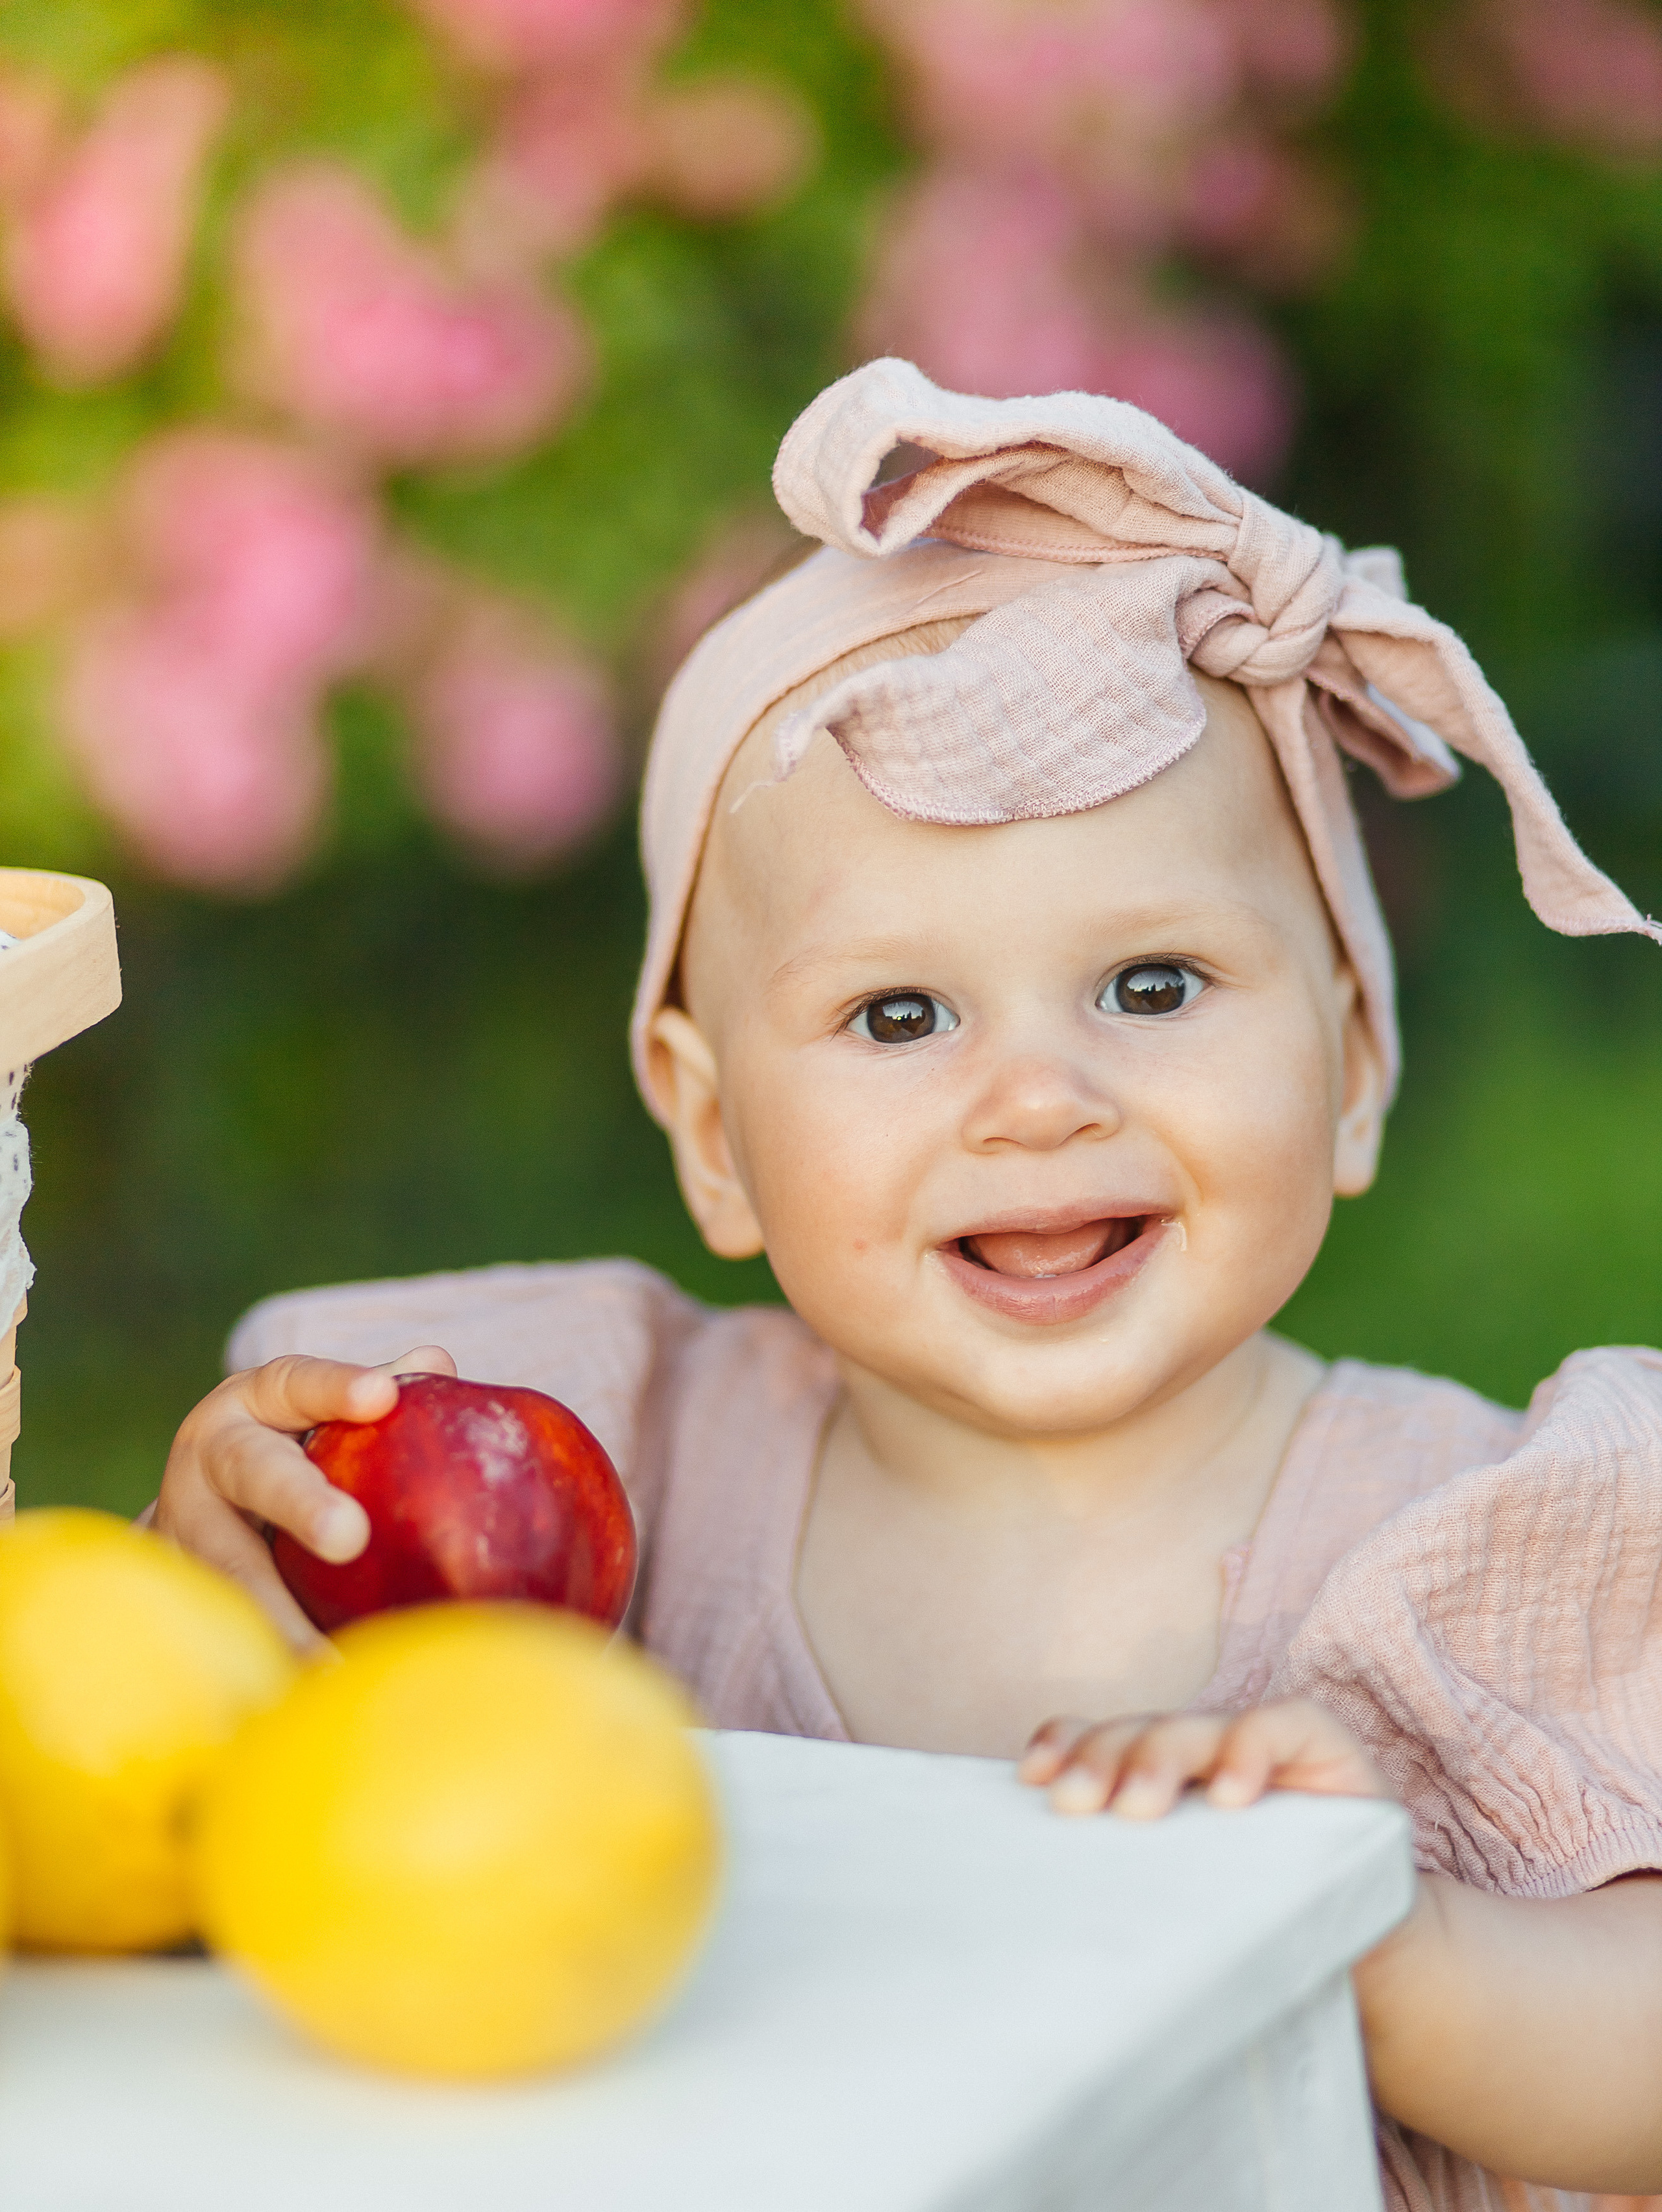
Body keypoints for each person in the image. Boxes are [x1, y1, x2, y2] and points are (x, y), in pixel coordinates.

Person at [155, 360, 1662, 2209]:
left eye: (1154, 986)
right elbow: (260, 1889)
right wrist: (230, 1628)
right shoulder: (611, 1477)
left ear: (1351, 1065)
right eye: (899, 1014)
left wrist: (1388, 1937)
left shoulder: (1475, 1549)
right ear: (714, 1138)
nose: (1038, 1098)